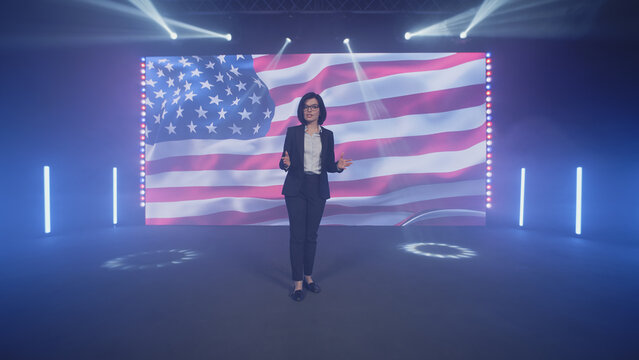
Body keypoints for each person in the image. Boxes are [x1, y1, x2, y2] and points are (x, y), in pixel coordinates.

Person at [279, 92, 352, 302]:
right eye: (306, 107)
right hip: (296, 190)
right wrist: (286, 164)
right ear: (302, 111)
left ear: (321, 110)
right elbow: (283, 161)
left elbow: (328, 164)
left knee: (311, 236)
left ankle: (309, 278)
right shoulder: (293, 133)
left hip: (317, 190)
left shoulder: (328, 135)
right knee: (297, 236)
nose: (309, 110)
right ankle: (298, 283)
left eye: (313, 106)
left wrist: (337, 167)